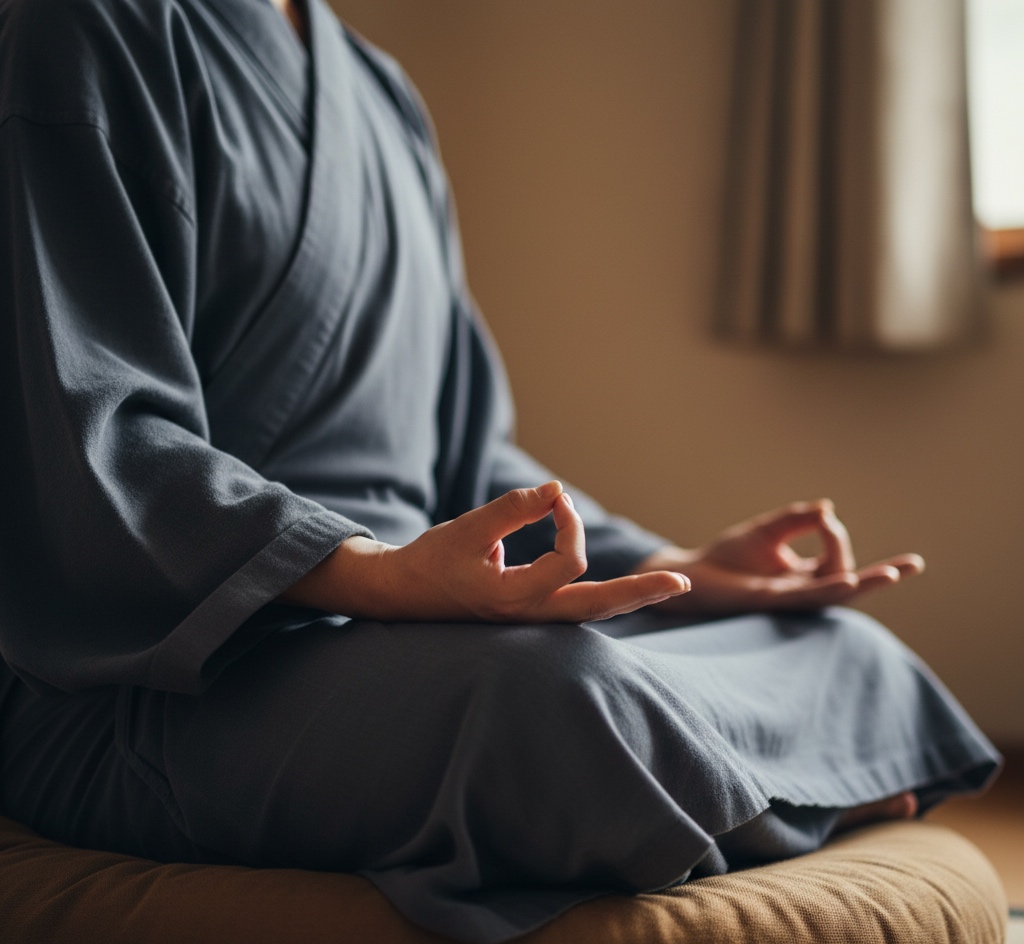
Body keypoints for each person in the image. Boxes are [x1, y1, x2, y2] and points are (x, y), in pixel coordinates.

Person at [0, 0, 1000, 942]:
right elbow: (95, 440)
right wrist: (372, 573)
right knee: (553, 696)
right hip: (170, 674)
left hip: (409, 628)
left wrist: (673, 564)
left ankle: (705, 798)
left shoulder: (376, 90)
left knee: (835, 647)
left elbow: (468, 455)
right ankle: (772, 788)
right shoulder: (77, 27)